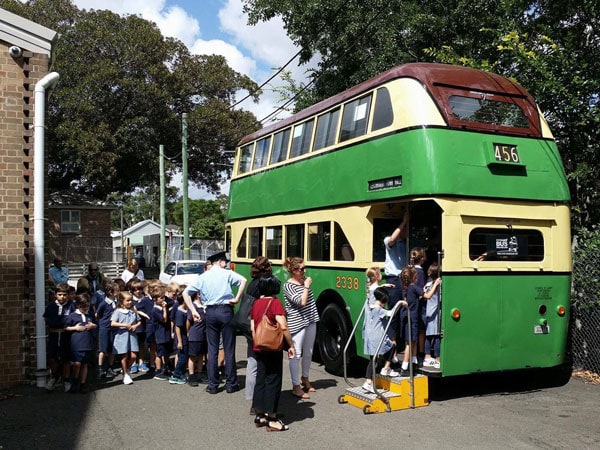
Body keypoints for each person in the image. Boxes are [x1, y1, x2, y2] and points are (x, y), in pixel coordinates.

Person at [183, 251, 247, 394]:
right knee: (229, 348)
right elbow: (243, 280)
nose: (227, 263)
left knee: (212, 350)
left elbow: (185, 293)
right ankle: (231, 384)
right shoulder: (227, 273)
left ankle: (213, 385)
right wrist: (236, 298)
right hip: (225, 310)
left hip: (210, 312)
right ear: (220, 261)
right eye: (225, 260)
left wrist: (193, 311)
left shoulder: (203, 276)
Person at [250, 275, 294, 432]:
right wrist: (290, 344)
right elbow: (283, 326)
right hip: (273, 348)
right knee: (273, 381)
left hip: (259, 347)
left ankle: (259, 415)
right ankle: (272, 418)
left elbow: (252, 326)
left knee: (260, 379)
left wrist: (258, 343)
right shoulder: (275, 303)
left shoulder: (256, 303)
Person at [283, 257, 320, 399]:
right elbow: (301, 302)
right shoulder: (288, 286)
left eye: (305, 268)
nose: (304, 271)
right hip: (297, 323)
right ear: (293, 270)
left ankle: (305, 378)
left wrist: (305, 285)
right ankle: (295, 386)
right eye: (301, 269)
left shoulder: (304, 281)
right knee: (296, 354)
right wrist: (306, 286)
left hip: (310, 320)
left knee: (309, 351)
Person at [399, 266, 441, 377]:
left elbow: (419, 296)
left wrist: (423, 291)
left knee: (413, 341)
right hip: (413, 319)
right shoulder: (414, 287)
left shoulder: (407, 288)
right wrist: (436, 284)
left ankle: (414, 362)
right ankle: (404, 367)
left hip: (408, 317)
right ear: (414, 277)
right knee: (410, 343)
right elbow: (427, 296)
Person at [244, 256, 273, 411]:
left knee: (252, 363)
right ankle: (259, 401)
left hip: (249, 327)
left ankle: (251, 397)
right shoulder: (263, 285)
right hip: (261, 328)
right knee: (262, 366)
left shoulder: (251, 284)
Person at [383, 209, 410, 360]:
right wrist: (404, 221)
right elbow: (392, 239)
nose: (407, 231)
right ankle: (392, 350)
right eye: (405, 229)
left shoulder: (408, 243)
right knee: (393, 314)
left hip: (404, 280)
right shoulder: (389, 241)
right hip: (393, 279)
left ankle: (403, 349)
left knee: (404, 314)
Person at [362, 287, 400, 393]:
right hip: (377, 337)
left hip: (368, 337)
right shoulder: (379, 310)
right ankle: (385, 368)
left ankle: (368, 381)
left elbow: (370, 295)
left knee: (372, 360)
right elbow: (391, 313)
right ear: (384, 301)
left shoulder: (368, 306)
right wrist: (400, 303)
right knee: (392, 346)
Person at [43, 283, 75, 392]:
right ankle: (55, 376)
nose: (62, 297)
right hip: (54, 334)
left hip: (66, 335)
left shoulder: (71, 305)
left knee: (65, 358)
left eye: (64, 295)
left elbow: (73, 319)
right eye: (60, 294)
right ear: (56, 295)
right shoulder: (51, 306)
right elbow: (46, 318)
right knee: (51, 356)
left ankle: (66, 379)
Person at [64, 294, 97, 393]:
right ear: (78, 305)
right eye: (83, 306)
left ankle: (83, 384)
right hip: (77, 343)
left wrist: (92, 326)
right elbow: (66, 327)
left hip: (87, 342)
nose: (85, 308)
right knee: (77, 363)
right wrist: (75, 328)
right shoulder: (72, 316)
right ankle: (75, 380)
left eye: (87, 306)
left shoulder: (90, 314)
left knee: (84, 364)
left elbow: (95, 324)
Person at [111, 291, 141, 385]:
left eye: (131, 300)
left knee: (133, 356)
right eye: (127, 300)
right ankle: (125, 374)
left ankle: (126, 369)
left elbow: (139, 321)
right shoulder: (118, 312)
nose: (130, 302)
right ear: (121, 301)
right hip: (122, 336)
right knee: (124, 356)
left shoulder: (133, 311)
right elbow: (112, 323)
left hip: (132, 335)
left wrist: (136, 326)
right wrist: (124, 325)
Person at [95, 282, 119, 379]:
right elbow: (97, 314)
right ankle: (100, 368)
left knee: (112, 348)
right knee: (103, 349)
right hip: (105, 327)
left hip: (114, 328)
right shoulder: (104, 303)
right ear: (110, 292)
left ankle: (110, 367)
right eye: (117, 290)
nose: (118, 292)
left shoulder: (117, 302)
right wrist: (103, 322)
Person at [151, 284, 172, 381]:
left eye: (164, 298)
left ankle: (166, 367)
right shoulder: (155, 310)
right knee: (160, 353)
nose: (163, 300)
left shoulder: (164, 306)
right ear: (155, 299)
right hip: (160, 334)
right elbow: (164, 319)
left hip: (166, 333)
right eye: (161, 298)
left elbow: (172, 302)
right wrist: (164, 309)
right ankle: (158, 370)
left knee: (166, 352)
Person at [423, 262, 442, 369]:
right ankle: (437, 359)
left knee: (428, 336)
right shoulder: (438, 286)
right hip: (435, 314)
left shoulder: (428, 284)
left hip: (428, 312)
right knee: (437, 336)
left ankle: (427, 356)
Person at [186, 293, 207, 386]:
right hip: (195, 335)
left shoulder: (204, 305)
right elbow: (188, 321)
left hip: (204, 335)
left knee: (201, 355)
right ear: (198, 294)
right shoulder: (193, 306)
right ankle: (191, 376)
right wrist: (188, 332)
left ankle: (199, 374)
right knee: (193, 356)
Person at [169, 296, 190, 385]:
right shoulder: (180, 313)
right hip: (181, 338)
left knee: (183, 356)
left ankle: (179, 373)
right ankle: (175, 375)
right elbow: (178, 328)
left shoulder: (184, 310)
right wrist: (180, 341)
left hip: (184, 337)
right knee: (182, 357)